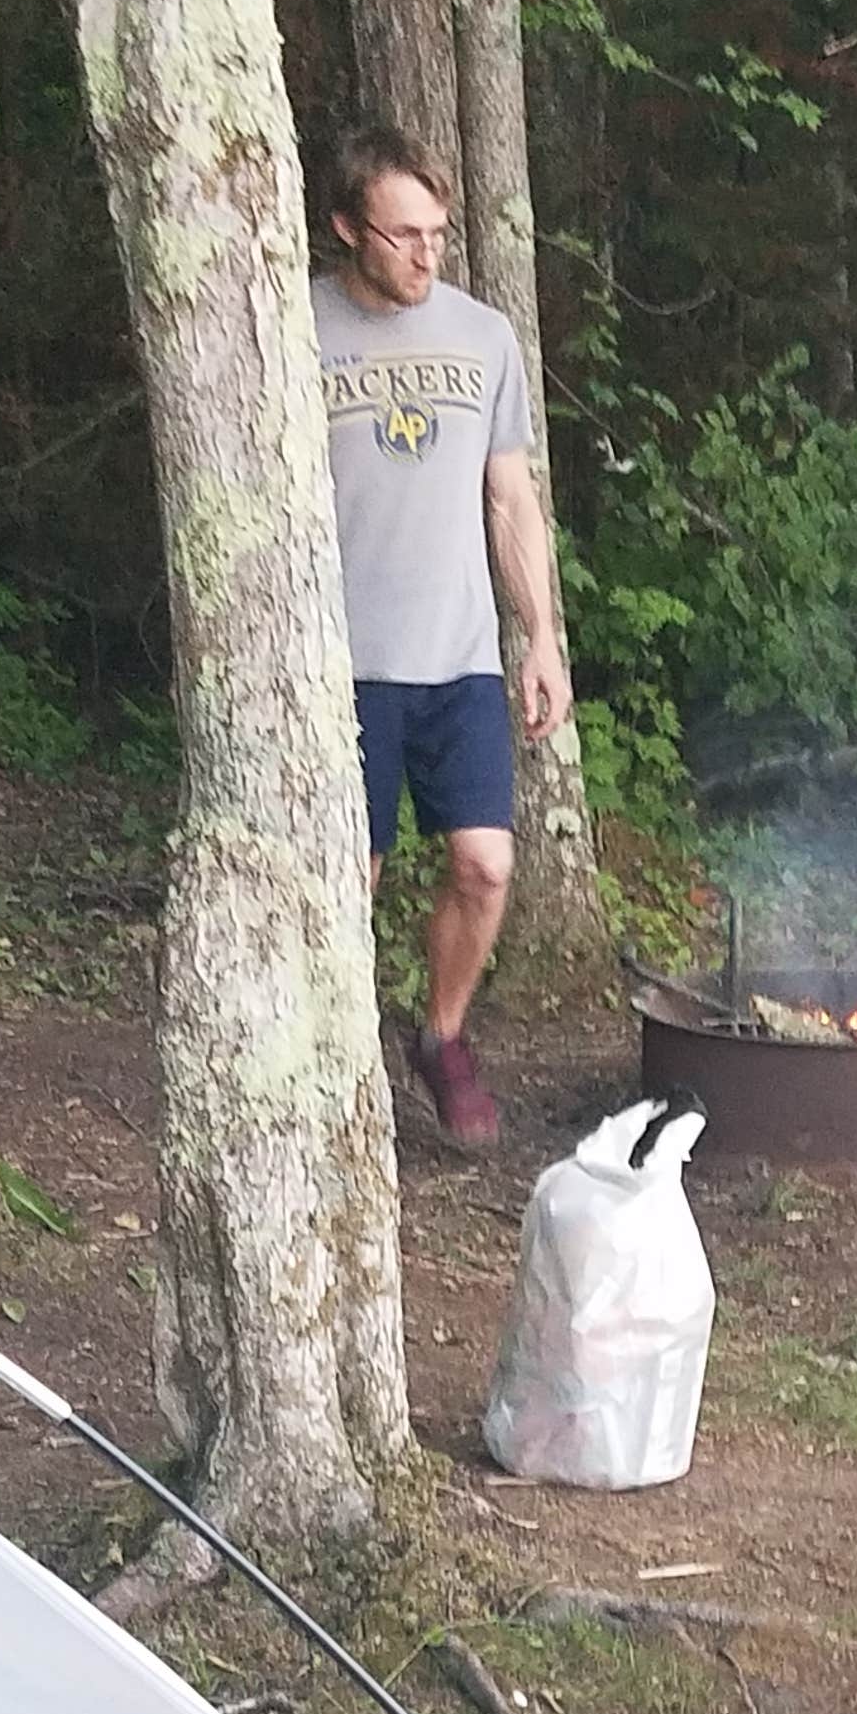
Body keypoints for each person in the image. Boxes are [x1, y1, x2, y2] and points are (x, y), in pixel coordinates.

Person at [314, 125, 572, 1149]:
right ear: (346, 228)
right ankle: (338, 1067)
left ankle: (442, 1036)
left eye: (438, 233)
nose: (426, 254)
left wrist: (541, 636)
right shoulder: (295, 324)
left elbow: (509, 495)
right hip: (343, 666)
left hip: (458, 654)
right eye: (403, 234)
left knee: (485, 866)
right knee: (353, 877)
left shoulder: (483, 337)